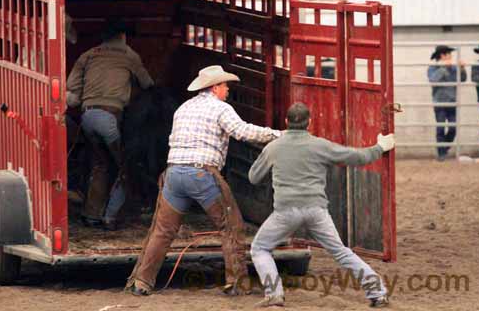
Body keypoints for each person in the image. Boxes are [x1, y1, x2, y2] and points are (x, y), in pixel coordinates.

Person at [125, 65, 281, 296]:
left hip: (174, 174)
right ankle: (236, 283)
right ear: (215, 87)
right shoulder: (221, 109)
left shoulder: (183, 108)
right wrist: (278, 134)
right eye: (225, 85)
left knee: (162, 230)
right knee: (231, 226)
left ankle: (141, 282)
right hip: (202, 173)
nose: (227, 90)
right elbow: (243, 132)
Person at [248, 102, 394, 308]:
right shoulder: (320, 145)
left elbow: (253, 177)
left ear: (286, 122)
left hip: (285, 211)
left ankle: (274, 294)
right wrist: (380, 147)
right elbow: (356, 157)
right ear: (310, 123)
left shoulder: (273, 147)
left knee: (260, 248)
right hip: (317, 210)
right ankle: (377, 292)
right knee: (341, 252)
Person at [66, 20, 154, 229]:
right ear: (122, 36)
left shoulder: (87, 55)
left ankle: (91, 215)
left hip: (87, 118)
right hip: (110, 118)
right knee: (125, 167)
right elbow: (147, 83)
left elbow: (71, 88)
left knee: (100, 165)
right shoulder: (129, 55)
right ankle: (111, 217)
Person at [427, 45, 466, 161]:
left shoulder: (454, 68)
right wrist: (444, 68)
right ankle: (441, 154)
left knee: (453, 128)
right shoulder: (433, 67)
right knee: (440, 128)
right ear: (443, 55)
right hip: (439, 103)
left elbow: (462, 79)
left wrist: (462, 68)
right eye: (449, 54)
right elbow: (433, 80)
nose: (451, 56)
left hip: (452, 102)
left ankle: (444, 149)